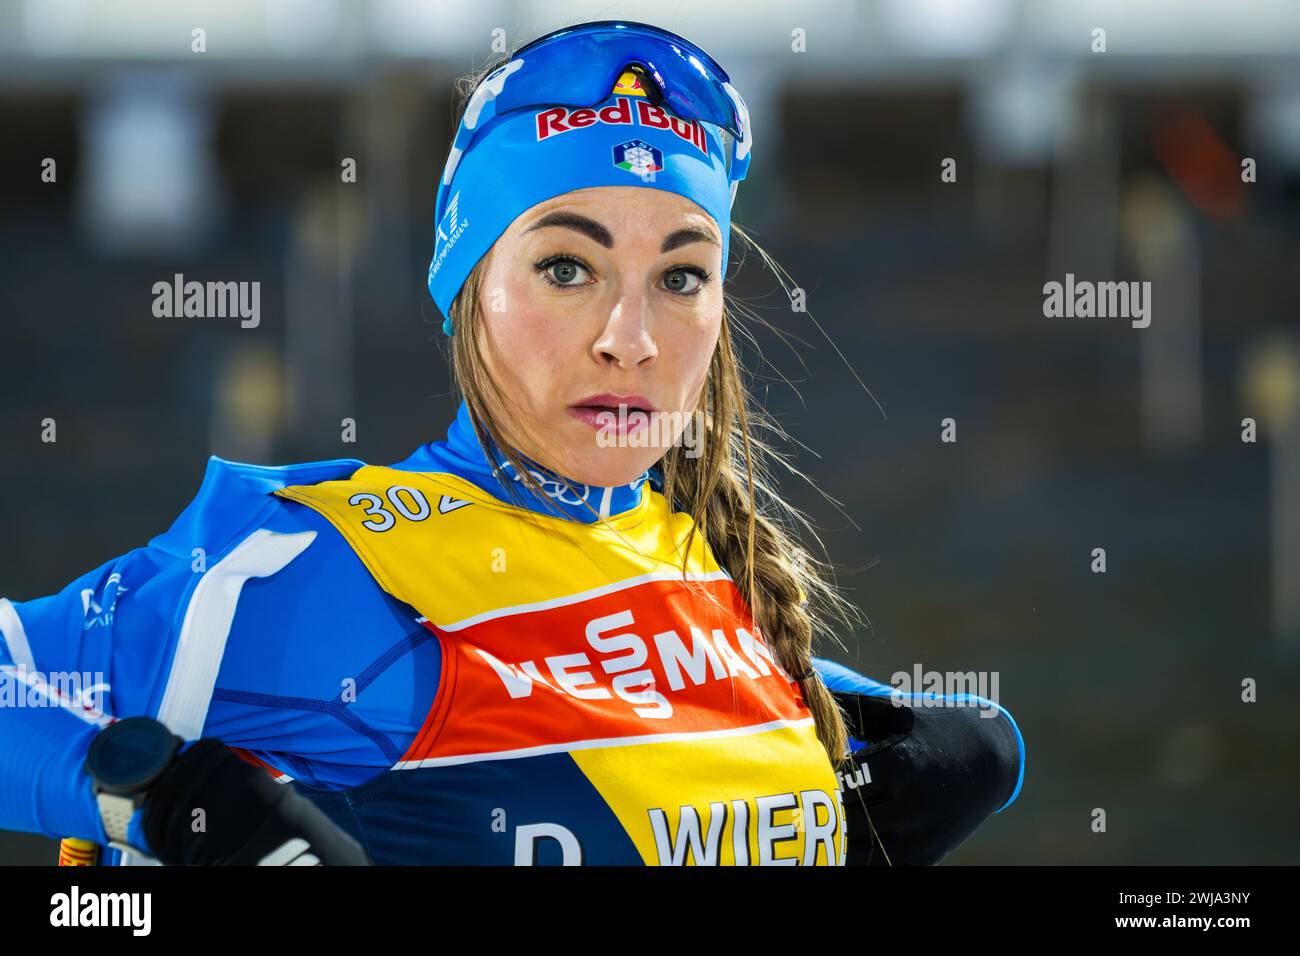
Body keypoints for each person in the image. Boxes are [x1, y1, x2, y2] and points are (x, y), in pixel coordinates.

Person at [0, 20, 1022, 866]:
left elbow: (957, 744)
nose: (630, 339)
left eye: (679, 276)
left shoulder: (709, 565)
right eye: (567, 268)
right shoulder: (322, 563)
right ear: (466, 290)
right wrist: (161, 796)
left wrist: (951, 750)